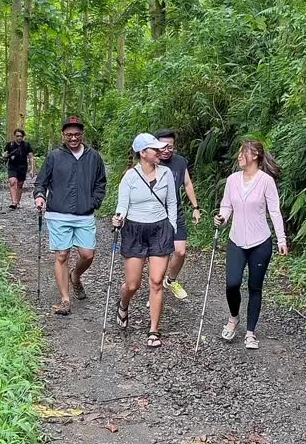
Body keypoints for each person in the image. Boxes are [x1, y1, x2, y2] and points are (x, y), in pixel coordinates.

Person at [215, 140, 288, 350]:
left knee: (255, 287)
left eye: (242, 153)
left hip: (260, 242)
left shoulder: (266, 181)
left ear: (254, 155)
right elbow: (226, 206)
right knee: (232, 283)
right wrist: (222, 218)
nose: (239, 157)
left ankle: (250, 333)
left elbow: (274, 211)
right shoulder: (232, 180)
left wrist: (281, 239)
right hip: (236, 239)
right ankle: (233, 317)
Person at [34, 116, 107, 316]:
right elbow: (41, 182)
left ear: (82, 134)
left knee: (87, 254)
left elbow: (101, 183)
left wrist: (94, 202)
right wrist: (40, 196)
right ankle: (65, 300)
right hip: (57, 213)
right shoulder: (54, 156)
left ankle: (75, 275)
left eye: (76, 134)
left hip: (84, 215)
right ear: (63, 135)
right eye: (69, 135)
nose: (73, 138)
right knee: (62, 255)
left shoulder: (94, 157)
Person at [112, 133, 177, 349]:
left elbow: (172, 204)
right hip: (134, 230)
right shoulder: (130, 177)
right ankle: (123, 304)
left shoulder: (166, 173)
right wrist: (118, 218)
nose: (160, 152)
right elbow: (122, 206)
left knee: (156, 282)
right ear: (143, 153)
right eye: (155, 149)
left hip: (160, 229)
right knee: (133, 284)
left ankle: (153, 329)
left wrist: (172, 228)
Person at [154, 129, 201, 301]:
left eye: (170, 146)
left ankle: (170, 281)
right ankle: (155, 288)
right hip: (156, 214)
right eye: (163, 146)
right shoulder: (152, 162)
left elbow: (187, 184)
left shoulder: (180, 162)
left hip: (176, 212)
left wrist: (196, 207)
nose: (167, 150)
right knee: (161, 254)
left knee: (180, 252)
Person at [4, 129, 35, 209]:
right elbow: (5, 155)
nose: (19, 138)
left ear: (23, 137)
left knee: (20, 185)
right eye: (17, 136)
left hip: (22, 167)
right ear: (15, 136)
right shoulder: (10, 145)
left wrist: (32, 169)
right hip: (12, 167)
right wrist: (5, 157)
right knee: (12, 182)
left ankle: (17, 202)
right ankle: (14, 202)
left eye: (21, 136)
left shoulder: (26, 145)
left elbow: (31, 158)